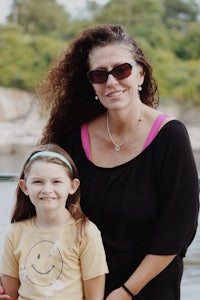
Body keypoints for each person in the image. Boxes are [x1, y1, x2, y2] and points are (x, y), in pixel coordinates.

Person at [0, 24, 199, 300]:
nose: (112, 82)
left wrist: (127, 292)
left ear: (140, 73)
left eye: (122, 70)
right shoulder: (73, 135)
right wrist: (13, 282)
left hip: (148, 289)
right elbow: (42, 211)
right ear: (91, 83)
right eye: (100, 74)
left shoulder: (170, 136)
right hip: (77, 291)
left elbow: (178, 230)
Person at [0, 144, 108, 300]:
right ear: (24, 187)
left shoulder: (86, 233)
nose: (47, 189)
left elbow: (94, 297)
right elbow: (11, 294)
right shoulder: (15, 232)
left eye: (56, 181)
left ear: (73, 186)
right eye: (37, 182)